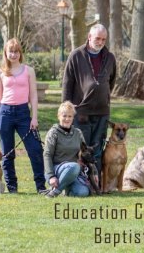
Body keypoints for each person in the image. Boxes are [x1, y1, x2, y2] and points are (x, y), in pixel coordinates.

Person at [0, 38, 47, 194]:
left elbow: (33, 95)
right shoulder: (0, 73)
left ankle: (41, 186)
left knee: (35, 149)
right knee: (7, 152)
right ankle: (12, 187)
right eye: (10, 52)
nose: (13, 54)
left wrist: (34, 117)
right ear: (5, 53)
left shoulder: (29, 71)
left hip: (23, 114)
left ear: (20, 53)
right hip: (4, 113)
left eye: (16, 51)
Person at [62, 24, 116, 176]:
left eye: (103, 39)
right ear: (89, 37)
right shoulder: (76, 55)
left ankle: (95, 182)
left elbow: (111, 82)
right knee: (82, 149)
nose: (100, 42)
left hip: (102, 112)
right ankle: (80, 181)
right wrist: (65, 111)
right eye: (97, 38)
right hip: (81, 112)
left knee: (97, 150)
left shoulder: (110, 57)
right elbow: (67, 83)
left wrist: (102, 96)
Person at [44, 101, 89, 198]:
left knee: (83, 192)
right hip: (57, 169)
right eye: (64, 116)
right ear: (59, 116)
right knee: (74, 166)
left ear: (73, 118)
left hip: (74, 171)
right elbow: (47, 155)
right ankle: (56, 191)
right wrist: (51, 176)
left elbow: (86, 153)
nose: (67, 119)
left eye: (70, 116)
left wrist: (94, 173)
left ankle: (65, 188)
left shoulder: (78, 133)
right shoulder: (53, 133)